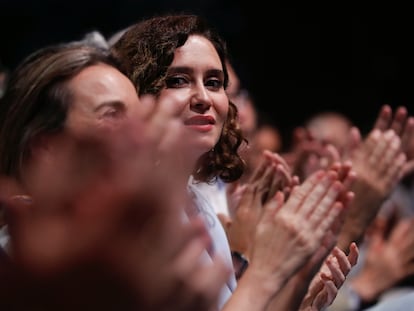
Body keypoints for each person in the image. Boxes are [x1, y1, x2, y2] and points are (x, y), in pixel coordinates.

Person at [110, 13, 357, 310]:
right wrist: (266, 272)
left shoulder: (197, 203)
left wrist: (295, 294)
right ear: (136, 91)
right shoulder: (128, 212)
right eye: (178, 80)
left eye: (214, 82)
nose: (203, 97)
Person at [0, 42, 231, 310]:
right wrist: (265, 272)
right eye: (112, 115)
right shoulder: (19, 260)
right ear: (47, 148)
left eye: (139, 117)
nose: (142, 134)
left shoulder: (131, 250)